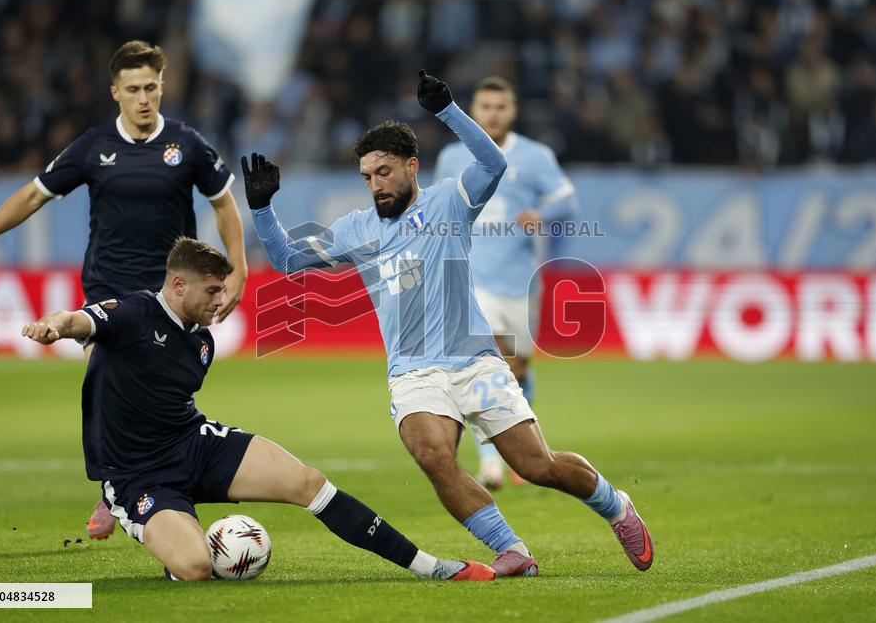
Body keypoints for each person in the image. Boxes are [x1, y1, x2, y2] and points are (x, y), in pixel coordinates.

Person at [243, 70, 653, 577]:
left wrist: (448, 111)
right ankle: (514, 551)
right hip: (413, 371)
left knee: (536, 465)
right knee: (432, 453)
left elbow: (494, 162)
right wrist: (262, 207)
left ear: (412, 166)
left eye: (385, 172)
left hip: (476, 361)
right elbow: (285, 259)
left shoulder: (450, 201)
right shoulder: (356, 229)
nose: (376, 186)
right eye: (367, 177)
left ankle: (616, 505)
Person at [20, 237, 494, 582]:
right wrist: (53, 327)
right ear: (179, 285)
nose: (221, 301)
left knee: (308, 483)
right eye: (212, 291)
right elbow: (79, 319)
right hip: (137, 476)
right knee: (194, 567)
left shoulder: (201, 343)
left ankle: (428, 567)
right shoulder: (133, 314)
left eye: (222, 290)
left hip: (194, 444)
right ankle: (161, 525)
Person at [0, 40, 249, 541]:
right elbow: (33, 194)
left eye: (151, 87)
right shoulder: (93, 146)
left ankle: (156, 477)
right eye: (133, 89)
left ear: (162, 86)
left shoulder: (188, 145)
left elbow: (224, 205)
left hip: (170, 292)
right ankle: (113, 483)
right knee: (104, 373)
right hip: (109, 286)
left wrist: (237, 269)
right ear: (115, 92)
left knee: (165, 390)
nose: (144, 98)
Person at [433, 76, 577, 490]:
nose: (492, 114)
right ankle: (491, 460)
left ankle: (525, 450)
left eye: (500, 107)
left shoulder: (535, 156)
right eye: (485, 107)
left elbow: (568, 199)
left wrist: (542, 213)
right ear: (473, 112)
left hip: (520, 281)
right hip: (469, 280)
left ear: (512, 112)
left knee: (517, 368)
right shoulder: (450, 157)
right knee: (487, 363)